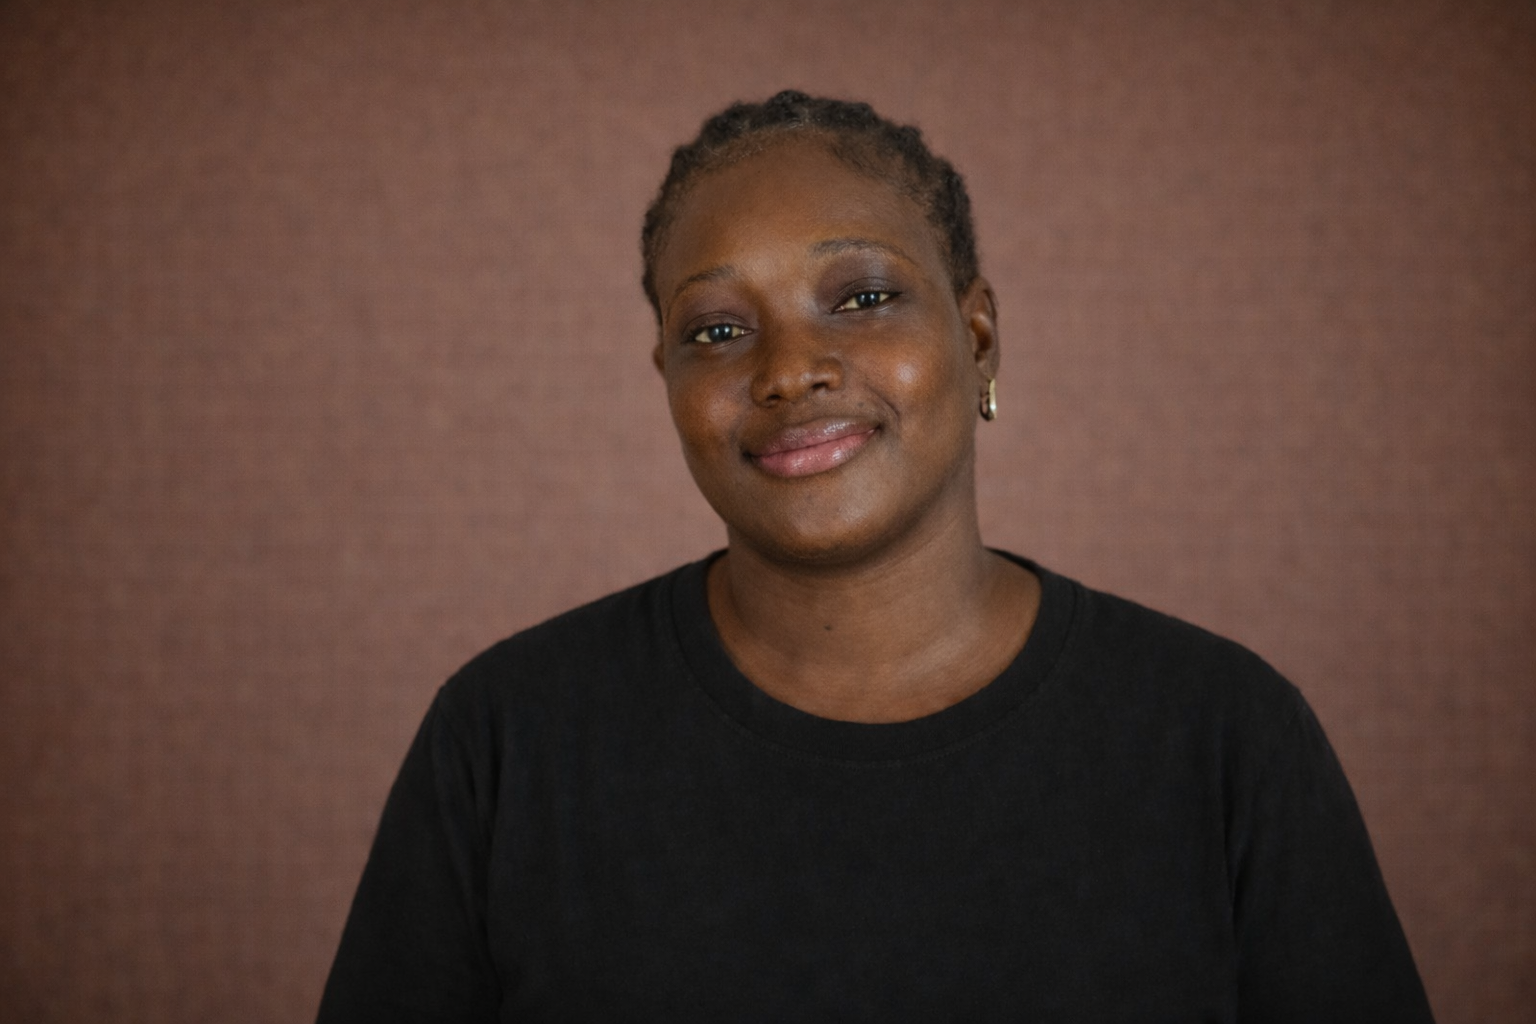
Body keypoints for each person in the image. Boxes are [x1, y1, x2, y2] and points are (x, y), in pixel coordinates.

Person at [317, 91, 1434, 1022]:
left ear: (977, 334)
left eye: (863, 297)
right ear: (664, 377)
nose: (789, 368)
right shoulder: (507, 739)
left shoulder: (1223, 735)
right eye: (716, 328)